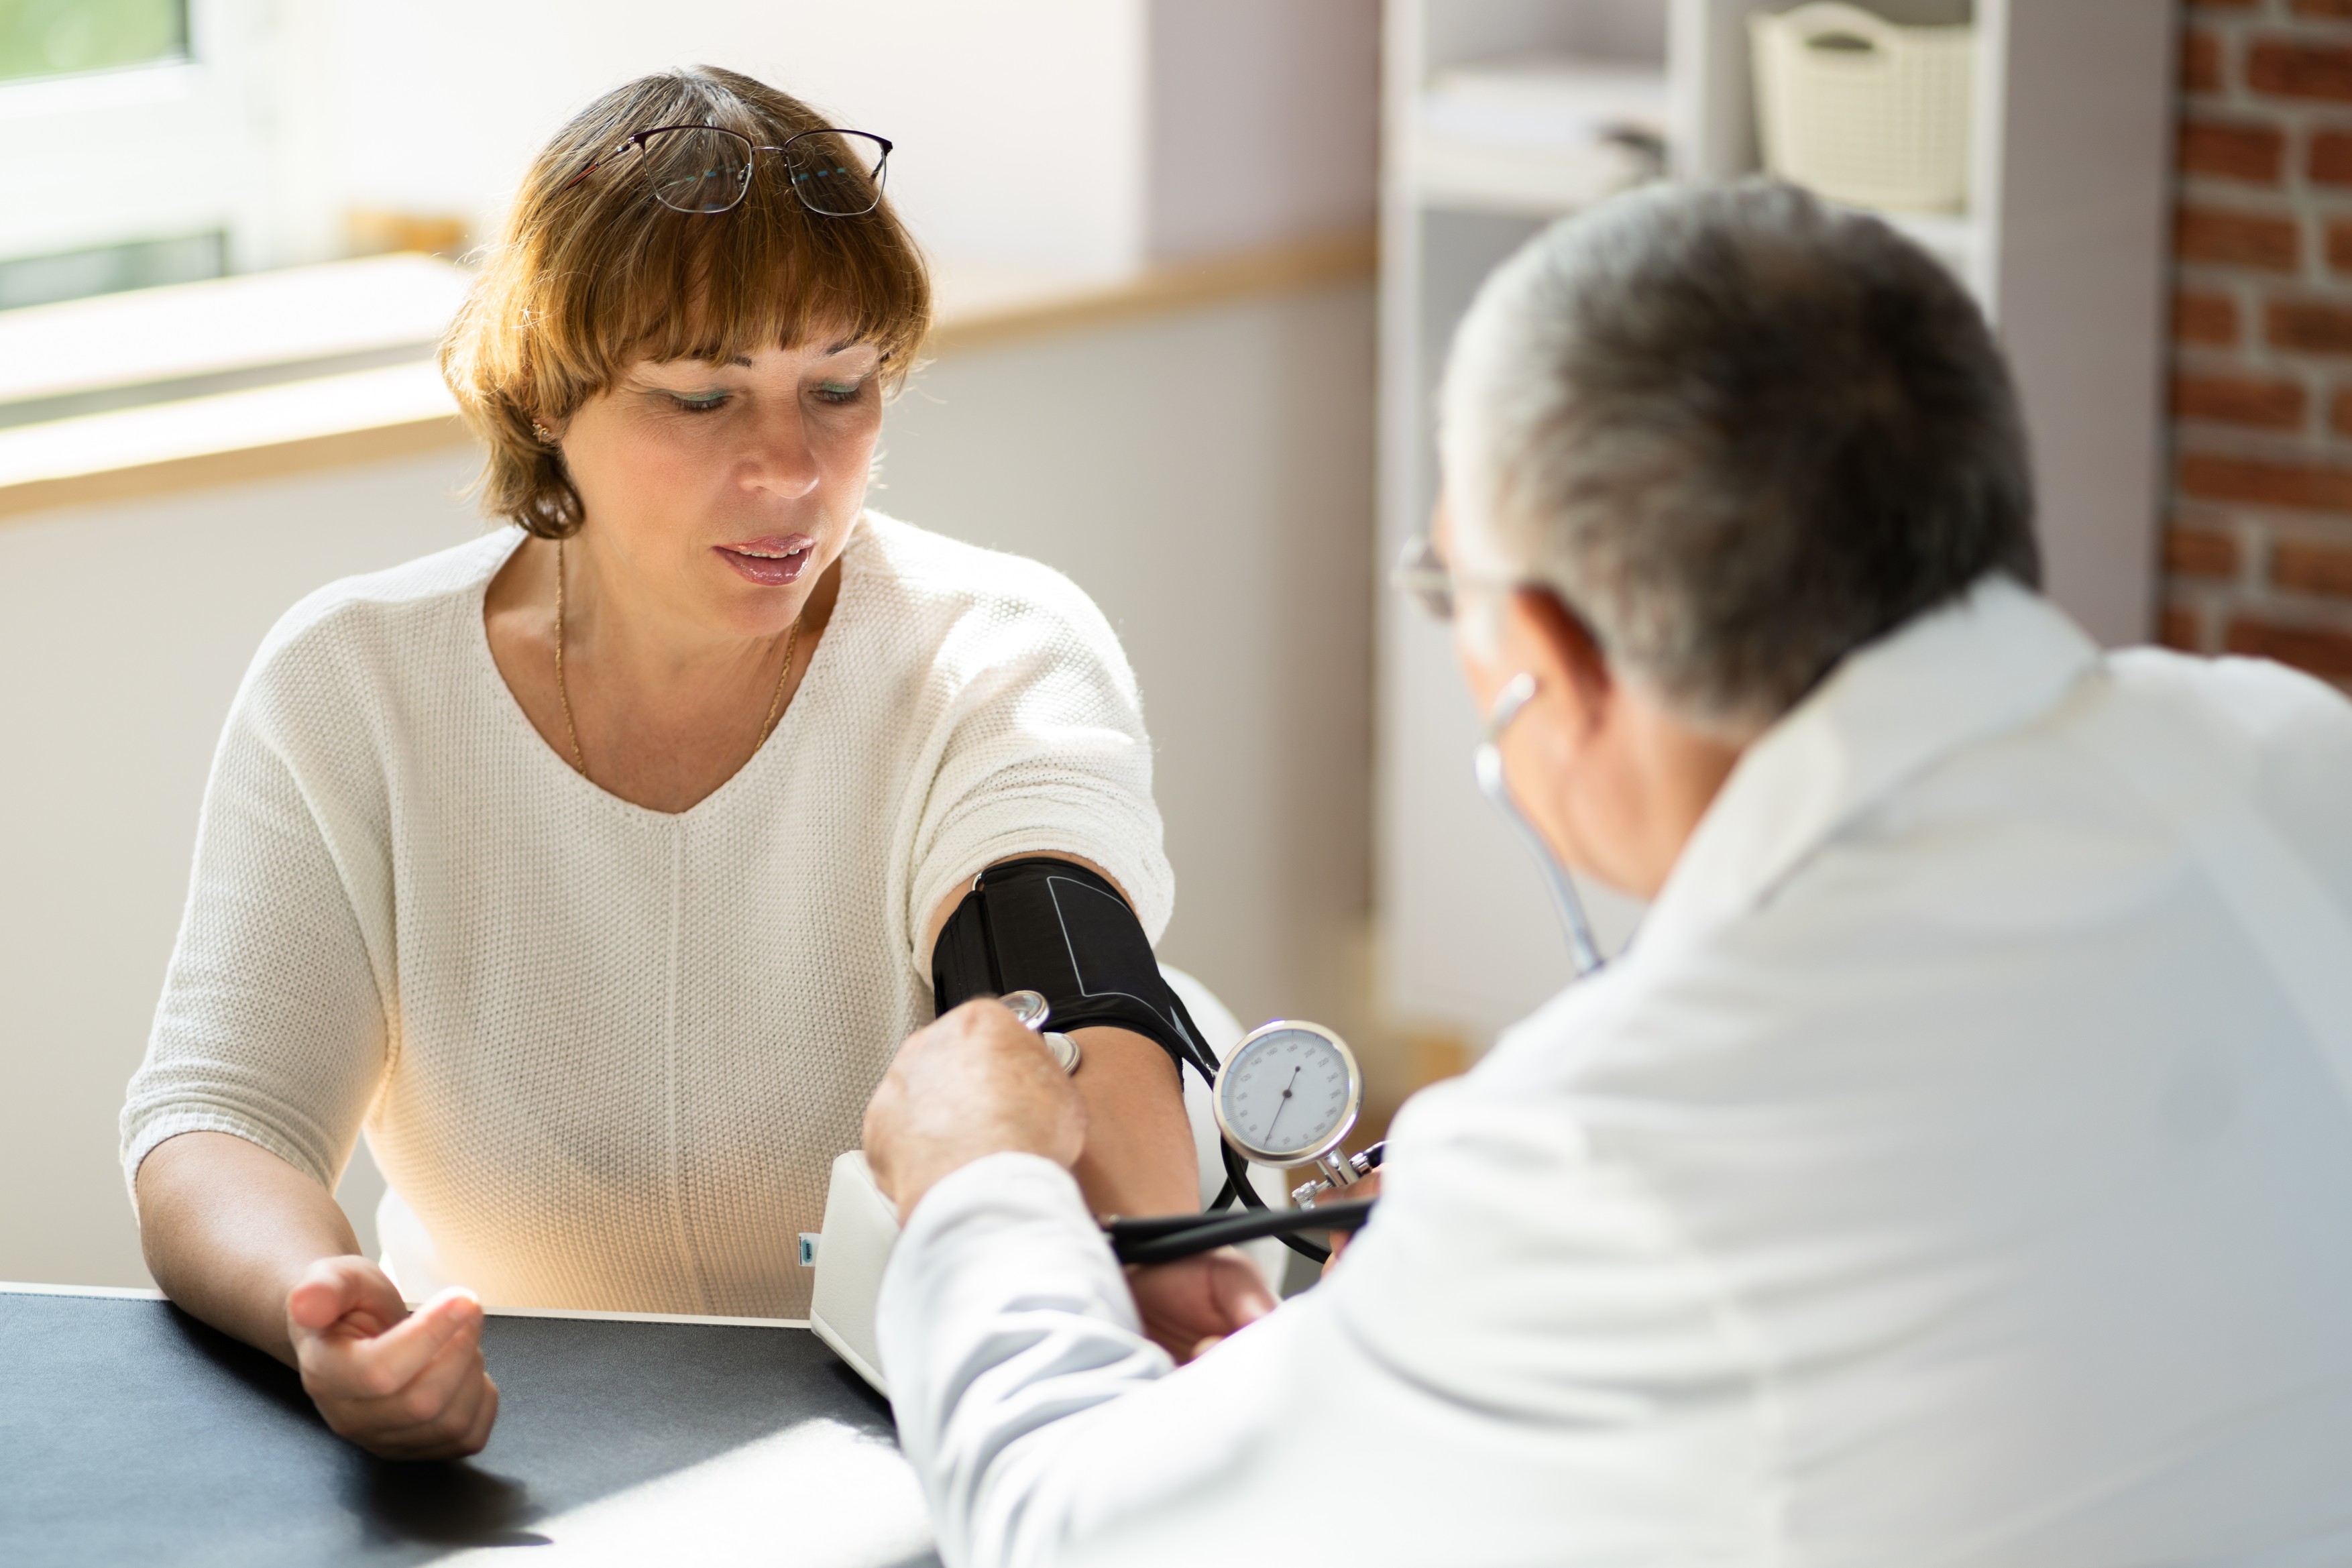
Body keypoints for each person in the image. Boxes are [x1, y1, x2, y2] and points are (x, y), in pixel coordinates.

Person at [862, 180, 2352, 1566]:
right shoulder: (2290, 755)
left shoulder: (1604, 1164)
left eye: (1451, 590)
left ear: (1557, 662)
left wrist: (979, 1186)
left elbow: (1074, 1525)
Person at [120, 66, 1217, 1462]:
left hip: (927, 1418)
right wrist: (323, 1309)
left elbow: (1071, 994)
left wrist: (1144, 1254)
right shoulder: (353, 686)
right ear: (544, 394)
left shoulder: (991, 651)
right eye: (702, 397)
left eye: (840, 384)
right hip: (519, 1446)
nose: (790, 469)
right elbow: (222, 1113)